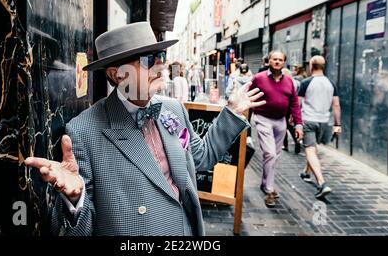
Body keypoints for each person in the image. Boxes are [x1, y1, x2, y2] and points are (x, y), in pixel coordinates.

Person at [25, 22, 266, 236]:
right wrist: (75, 198)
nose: (160, 65)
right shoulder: (83, 130)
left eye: (160, 55)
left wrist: (232, 113)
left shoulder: (173, 109)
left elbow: (200, 158)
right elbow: (79, 229)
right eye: (148, 60)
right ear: (116, 74)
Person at [250, 51, 303, 208]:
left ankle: (265, 182)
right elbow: (248, 96)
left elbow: (294, 103)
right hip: (263, 119)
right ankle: (269, 189)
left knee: (274, 156)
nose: (277, 62)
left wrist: (299, 124)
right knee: (270, 154)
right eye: (275, 59)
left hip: (281, 122)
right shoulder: (259, 78)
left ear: (284, 62)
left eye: (280, 59)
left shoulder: (289, 81)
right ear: (269, 61)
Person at [298, 55, 341, 199]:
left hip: (309, 120)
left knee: (309, 150)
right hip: (324, 121)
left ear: (311, 66)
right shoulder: (331, 83)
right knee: (313, 147)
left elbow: (297, 104)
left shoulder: (306, 82)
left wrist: (295, 120)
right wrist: (337, 124)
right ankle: (306, 172)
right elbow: (336, 105)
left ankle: (322, 183)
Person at [281, 68, 301, 154]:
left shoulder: (283, 82)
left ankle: (285, 145)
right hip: (292, 106)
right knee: (290, 126)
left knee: (284, 126)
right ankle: (297, 142)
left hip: (284, 106)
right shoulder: (295, 82)